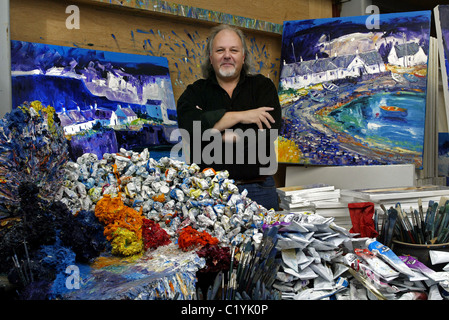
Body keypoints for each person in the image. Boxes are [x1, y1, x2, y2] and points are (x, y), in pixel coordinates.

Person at [176, 24, 282, 211]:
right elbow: (190, 130)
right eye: (220, 50)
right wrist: (243, 116)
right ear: (211, 57)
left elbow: (267, 136)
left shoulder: (262, 87)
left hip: (259, 189)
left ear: (243, 56)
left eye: (233, 50)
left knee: (267, 240)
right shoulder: (195, 92)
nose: (227, 55)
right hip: (210, 192)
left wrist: (211, 131)